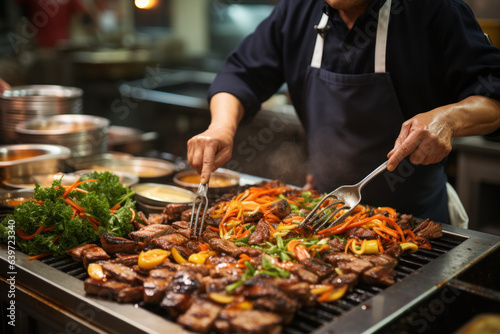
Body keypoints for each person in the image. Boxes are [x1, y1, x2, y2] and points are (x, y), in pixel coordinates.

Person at [187, 0, 500, 225]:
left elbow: (493, 91)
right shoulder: (298, 10)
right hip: (326, 214)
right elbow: (241, 72)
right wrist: (221, 128)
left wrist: (449, 119)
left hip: (415, 222)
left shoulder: (436, 10)